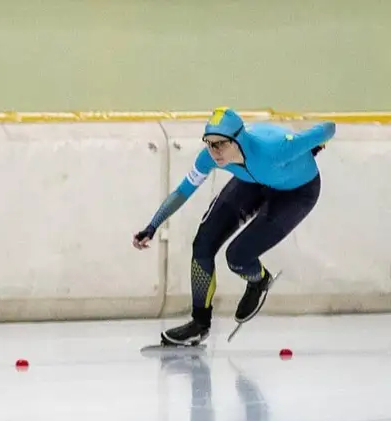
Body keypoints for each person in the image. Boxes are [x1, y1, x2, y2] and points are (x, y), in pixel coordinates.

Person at [133, 107, 335, 346]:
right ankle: (199, 324)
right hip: (252, 181)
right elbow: (181, 192)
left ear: (238, 140)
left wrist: (314, 144)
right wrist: (153, 225)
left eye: (220, 144)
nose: (214, 151)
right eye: (209, 143)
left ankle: (259, 280)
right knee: (203, 244)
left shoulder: (277, 149)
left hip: (296, 193)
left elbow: (329, 127)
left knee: (237, 257)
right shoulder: (209, 157)